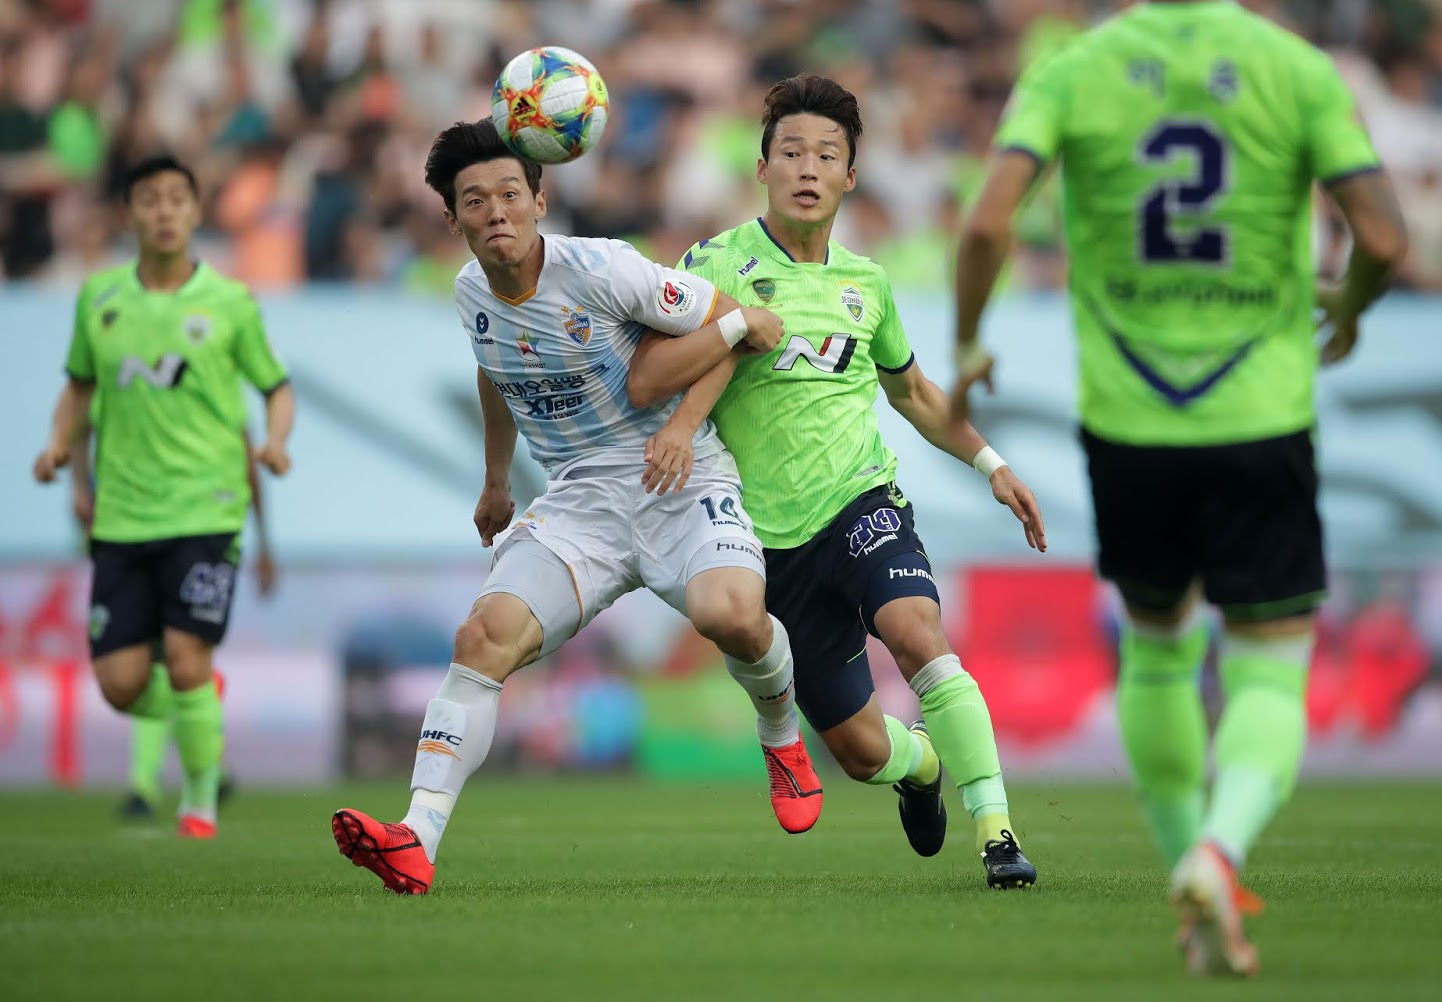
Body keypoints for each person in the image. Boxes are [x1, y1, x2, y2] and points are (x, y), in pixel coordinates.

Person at [950, 0, 1408, 974]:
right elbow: (1382, 234)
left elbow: (985, 224)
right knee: (1270, 663)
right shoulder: (1295, 68)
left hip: (1130, 421)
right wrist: (1352, 303)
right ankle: (1218, 849)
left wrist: (972, 338)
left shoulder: (1072, 67)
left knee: (1156, 648)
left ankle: (1187, 872)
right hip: (1258, 411)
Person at [330, 119, 821, 896]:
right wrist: (496, 480)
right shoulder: (470, 294)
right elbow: (493, 368)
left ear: (539, 199)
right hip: (581, 501)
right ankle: (415, 836)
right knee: (483, 637)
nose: (496, 213)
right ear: (451, 219)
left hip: (679, 480)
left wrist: (685, 430)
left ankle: (781, 733)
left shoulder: (604, 268)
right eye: (475, 202)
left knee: (734, 617)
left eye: (509, 196)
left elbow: (736, 325)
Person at [627, 75, 1047, 890]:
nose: (808, 168)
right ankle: (921, 768)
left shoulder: (869, 284)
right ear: (763, 169)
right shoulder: (713, 264)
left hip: (861, 504)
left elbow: (916, 394)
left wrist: (993, 465)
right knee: (860, 751)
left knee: (920, 633)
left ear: (851, 177)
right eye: (791, 153)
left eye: (827, 155)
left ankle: (997, 833)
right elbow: (651, 368)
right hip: (763, 543)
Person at [33, 154, 296, 840]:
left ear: (196, 212)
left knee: (184, 657)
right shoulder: (99, 299)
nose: (164, 211)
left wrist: (274, 441)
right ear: (129, 214)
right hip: (123, 514)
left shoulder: (231, 301)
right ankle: (197, 711)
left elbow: (276, 387)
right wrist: (64, 449)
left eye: (177, 198)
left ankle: (200, 800)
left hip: (206, 507)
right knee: (120, 684)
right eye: (149, 200)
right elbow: (79, 386)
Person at [68, 425, 278, 819]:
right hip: (128, 537)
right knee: (134, 676)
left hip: (188, 534)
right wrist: (80, 489)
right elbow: (83, 424)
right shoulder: (112, 380)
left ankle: (148, 787)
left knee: (166, 663)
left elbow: (245, 447)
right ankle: (206, 736)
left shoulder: (206, 387)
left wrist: (263, 540)